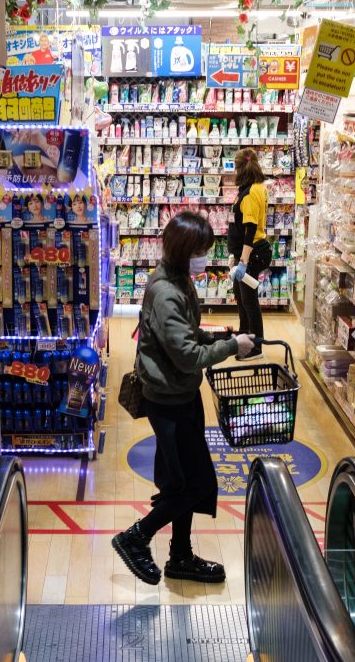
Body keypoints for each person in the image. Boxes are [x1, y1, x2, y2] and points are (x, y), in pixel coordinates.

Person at [112, 212, 255, 585]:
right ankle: (136, 537)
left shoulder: (178, 280)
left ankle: (180, 557)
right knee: (198, 485)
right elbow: (187, 356)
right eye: (200, 251)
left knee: (180, 484)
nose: (204, 258)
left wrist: (219, 337)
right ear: (183, 250)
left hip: (180, 394)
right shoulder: (167, 293)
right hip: (169, 401)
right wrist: (229, 346)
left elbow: (187, 337)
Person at [227, 148, 272, 361]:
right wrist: (234, 256)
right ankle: (243, 338)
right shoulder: (251, 187)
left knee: (249, 302)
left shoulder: (252, 191)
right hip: (244, 254)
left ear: (241, 168)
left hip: (252, 253)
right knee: (241, 298)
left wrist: (243, 261)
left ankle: (256, 347)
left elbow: (251, 228)